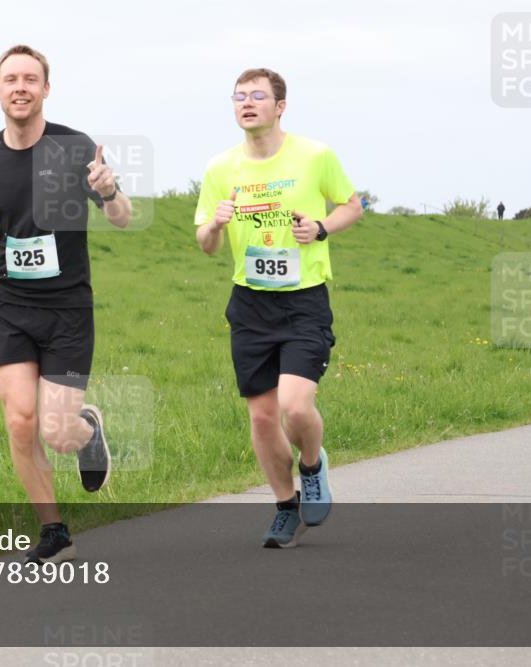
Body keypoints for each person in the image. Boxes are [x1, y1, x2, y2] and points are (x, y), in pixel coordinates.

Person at [0, 45, 132, 564]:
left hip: (67, 309)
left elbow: (123, 216)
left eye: (30, 79)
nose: (20, 86)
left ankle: (85, 430)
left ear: (45, 89)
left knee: (57, 433)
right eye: (10, 79)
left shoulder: (74, 146)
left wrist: (109, 191)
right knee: (20, 419)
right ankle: (54, 531)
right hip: (10, 303)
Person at [194, 68, 363, 548]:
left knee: (294, 404)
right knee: (264, 417)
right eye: (239, 96)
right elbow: (205, 243)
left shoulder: (314, 156)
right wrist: (215, 225)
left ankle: (312, 465)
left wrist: (322, 228)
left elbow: (352, 205)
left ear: (280, 106)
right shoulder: (220, 169)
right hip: (249, 304)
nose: (246, 103)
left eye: (258, 96)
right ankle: (285, 506)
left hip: (304, 300)